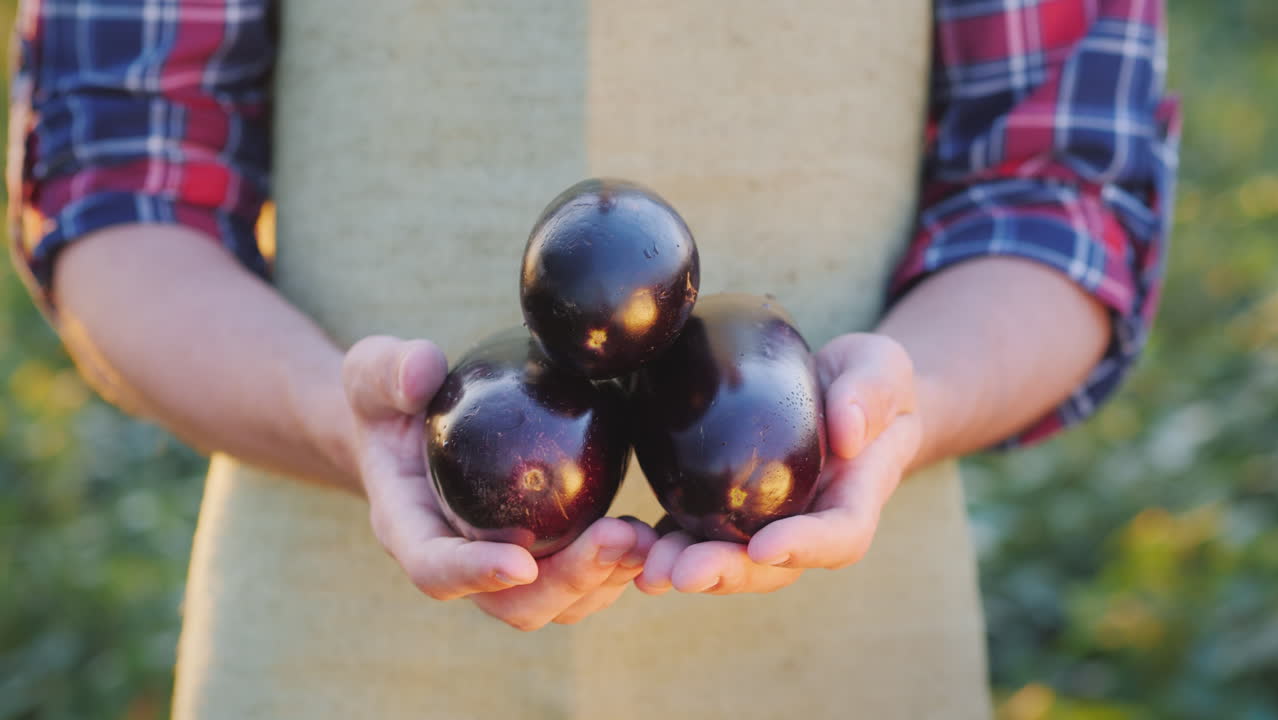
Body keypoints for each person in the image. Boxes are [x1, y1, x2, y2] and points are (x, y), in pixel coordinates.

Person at [9, 1, 1179, 718]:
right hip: (327, 645)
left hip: (853, 658)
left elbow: (1059, 190)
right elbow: (121, 180)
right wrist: (333, 414)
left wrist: (897, 399)